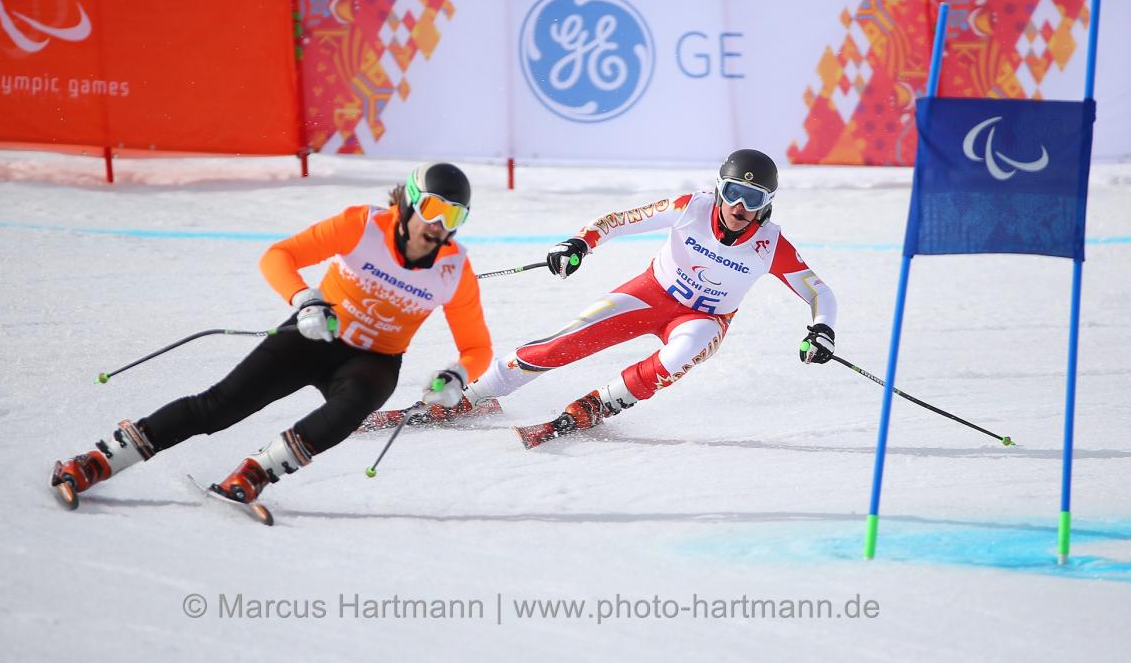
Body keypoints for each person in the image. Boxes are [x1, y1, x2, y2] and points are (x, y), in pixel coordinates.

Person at [51, 162, 493, 503]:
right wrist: (305, 299)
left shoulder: (455, 269)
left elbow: (477, 347)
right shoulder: (362, 225)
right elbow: (278, 256)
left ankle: (254, 474)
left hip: (374, 359)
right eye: (434, 208)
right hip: (318, 334)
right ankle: (100, 460)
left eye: (455, 215)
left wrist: (457, 377)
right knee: (218, 408)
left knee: (350, 411)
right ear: (412, 201)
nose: (440, 224)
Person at [401, 149, 837, 447]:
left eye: (752, 198)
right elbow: (617, 220)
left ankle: (598, 404)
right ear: (719, 189)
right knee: (563, 342)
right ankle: (471, 397)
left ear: (767, 204)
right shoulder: (692, 207)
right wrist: (578, 244)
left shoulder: (770, 245)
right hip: (650, 294)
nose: (739, 206)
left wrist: (822, 329)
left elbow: (819, 291)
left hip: (704, 320)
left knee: (682, 352)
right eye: (733, 192)